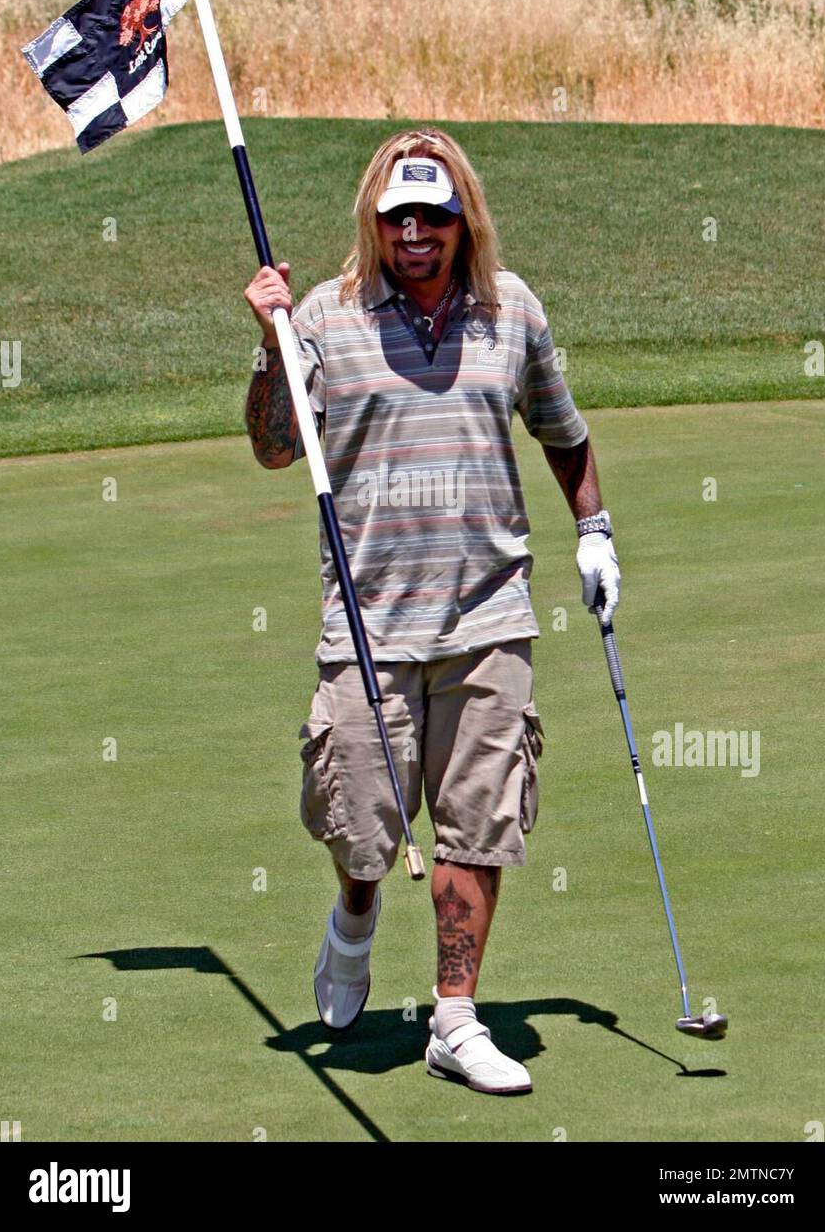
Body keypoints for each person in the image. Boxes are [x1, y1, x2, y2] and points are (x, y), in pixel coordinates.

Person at [243, 128, 620, 1095]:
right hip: (367, 619)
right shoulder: (325, 316)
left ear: (463, 222)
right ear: (375, 223)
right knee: (362, 829)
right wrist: (270, 344)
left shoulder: (511, 311)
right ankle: (355, 917)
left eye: (434, 215)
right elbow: (277, 448)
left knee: (475, 825)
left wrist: (594, 533)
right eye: (398, 216)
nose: (416, 232)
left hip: (489, 614)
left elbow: (562, 432)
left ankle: (455, 1018)